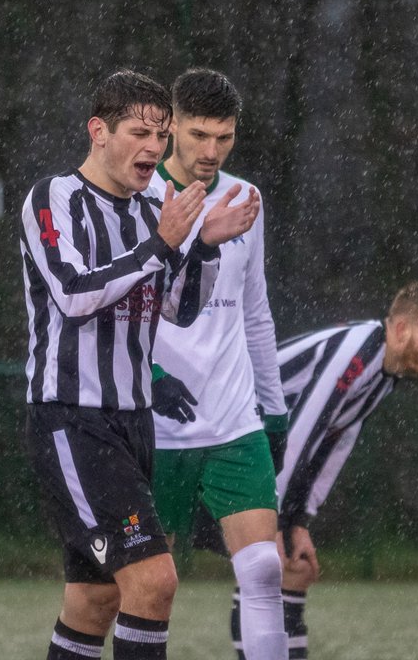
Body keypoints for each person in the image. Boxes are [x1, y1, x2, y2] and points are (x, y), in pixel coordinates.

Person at [20, 69, 260, 660]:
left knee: (93, 600)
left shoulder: (159, 203)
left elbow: (177, 309)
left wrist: (202, 245)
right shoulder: (54, 197)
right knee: (154, 581)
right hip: (73, 421)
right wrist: (162, 244)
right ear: (98, 132)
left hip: (134, 423)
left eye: (160, 133)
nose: (153, 146)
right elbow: (73, 293)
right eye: (138, 131)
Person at [230, 281, 418, 659]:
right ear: (401, 328)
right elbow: (302, 427)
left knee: (293, 570)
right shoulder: (358, 349)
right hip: (218, 443)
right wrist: (272, 522)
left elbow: (335, 441)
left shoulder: (387, 371)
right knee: (262, 574)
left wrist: (299, 520)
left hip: (256, 458)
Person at [148, 68, 290, 660]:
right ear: (172, 124)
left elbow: (255, 312)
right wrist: (148, 378)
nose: (211, 151)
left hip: (234, 420)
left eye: (224, 138)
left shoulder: (245, 197)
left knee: (263, 571)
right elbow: (114, 309)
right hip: (151, 427)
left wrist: (275, 408)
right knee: (141, 590)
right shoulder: (133, 196)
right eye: (199, 134)